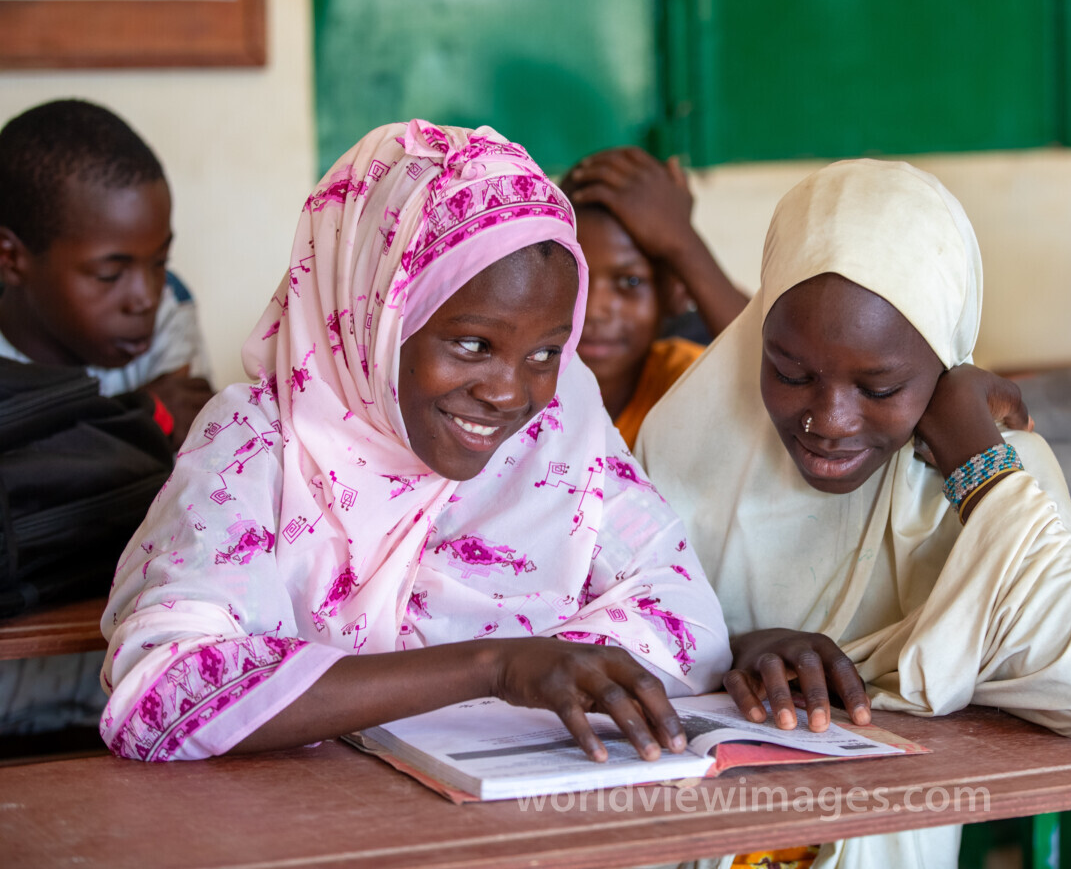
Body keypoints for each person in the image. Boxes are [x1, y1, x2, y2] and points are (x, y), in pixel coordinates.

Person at [99, 120, 729, 762]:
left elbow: (689, 630)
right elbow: (164, 694)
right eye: (472, 345)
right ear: (371, 319)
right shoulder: (257, 445)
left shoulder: (560, 424)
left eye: (544, 351)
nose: (510, 394)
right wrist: (495, 668)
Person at [635, 159, 1071, 869]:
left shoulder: (994, 478)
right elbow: (606, 648)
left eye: (881, 387)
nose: (828, 420)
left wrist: (972, 451)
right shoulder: (684, 442)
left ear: (942, 362)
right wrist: (728, 653)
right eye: (788, 372)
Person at [0, 99, 212, 750]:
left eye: (158, 260)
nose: (143, 295)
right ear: (11, 259)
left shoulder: (167, 307)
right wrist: (149, 415)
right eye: (110, 271)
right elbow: (163, 441)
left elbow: (194, 481)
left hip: (119, 694)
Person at [559, 148, 748, 445]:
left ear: (674, 291)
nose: (594, 309)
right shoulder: (517, 387)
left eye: (630, 282)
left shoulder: (683, 381)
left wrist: (683, 242)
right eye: (575, 277)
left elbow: (767, 373)